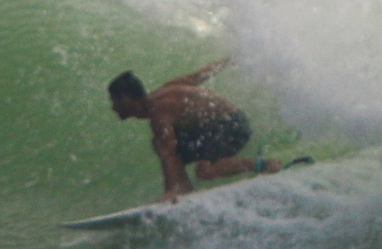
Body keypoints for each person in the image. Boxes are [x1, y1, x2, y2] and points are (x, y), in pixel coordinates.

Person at [108, 57, 308, 203]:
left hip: (232, 126)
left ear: (127, 99)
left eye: (115, 101)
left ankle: (266, 165)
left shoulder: (159, 111)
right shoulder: (166, 91)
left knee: (205, 171)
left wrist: (169, 191)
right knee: (159, 143)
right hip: (213, 127)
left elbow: (169, 151)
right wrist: (229, 60)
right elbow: (198, 76)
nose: (113, 107)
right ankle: (183, 187)